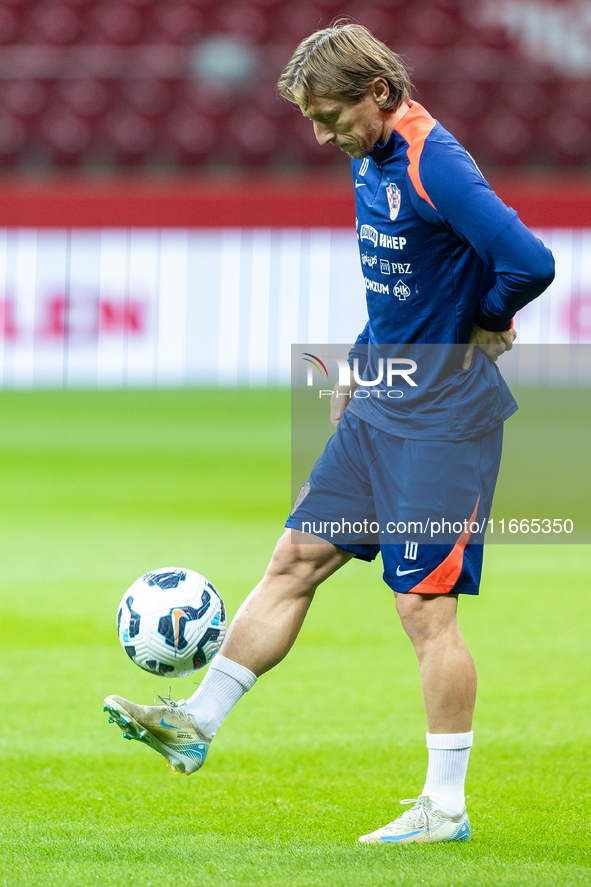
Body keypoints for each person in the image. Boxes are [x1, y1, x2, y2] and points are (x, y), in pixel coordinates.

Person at [104, 23, 554, 844]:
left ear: (379, 92)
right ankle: (195, 722)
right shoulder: (368, 155)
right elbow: (400, 283)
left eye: (331, 115)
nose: (322, 134)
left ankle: (444, 808)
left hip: (443, 419)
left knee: (424, 608)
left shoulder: (432, 161)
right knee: (295, 559)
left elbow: (529, 260)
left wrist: (487, 320)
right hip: (381, 398)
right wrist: (356, 367)